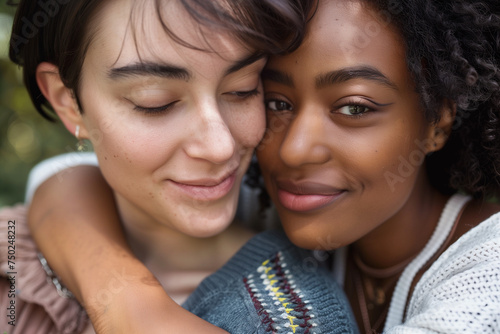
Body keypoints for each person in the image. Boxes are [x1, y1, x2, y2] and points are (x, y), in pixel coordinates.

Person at [8, 0, 500, 332]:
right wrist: (134, 307)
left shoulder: (486, 289)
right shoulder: (282, 204)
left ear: (438, 118)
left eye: (354, 107)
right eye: (276, 101)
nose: (293, 151)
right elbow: (66, 177)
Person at [0, 0, 353, 333]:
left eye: (243, 89)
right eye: (157, 103)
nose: (219, 147)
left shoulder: (293, 317)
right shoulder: (14, 250)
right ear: (68, 102)